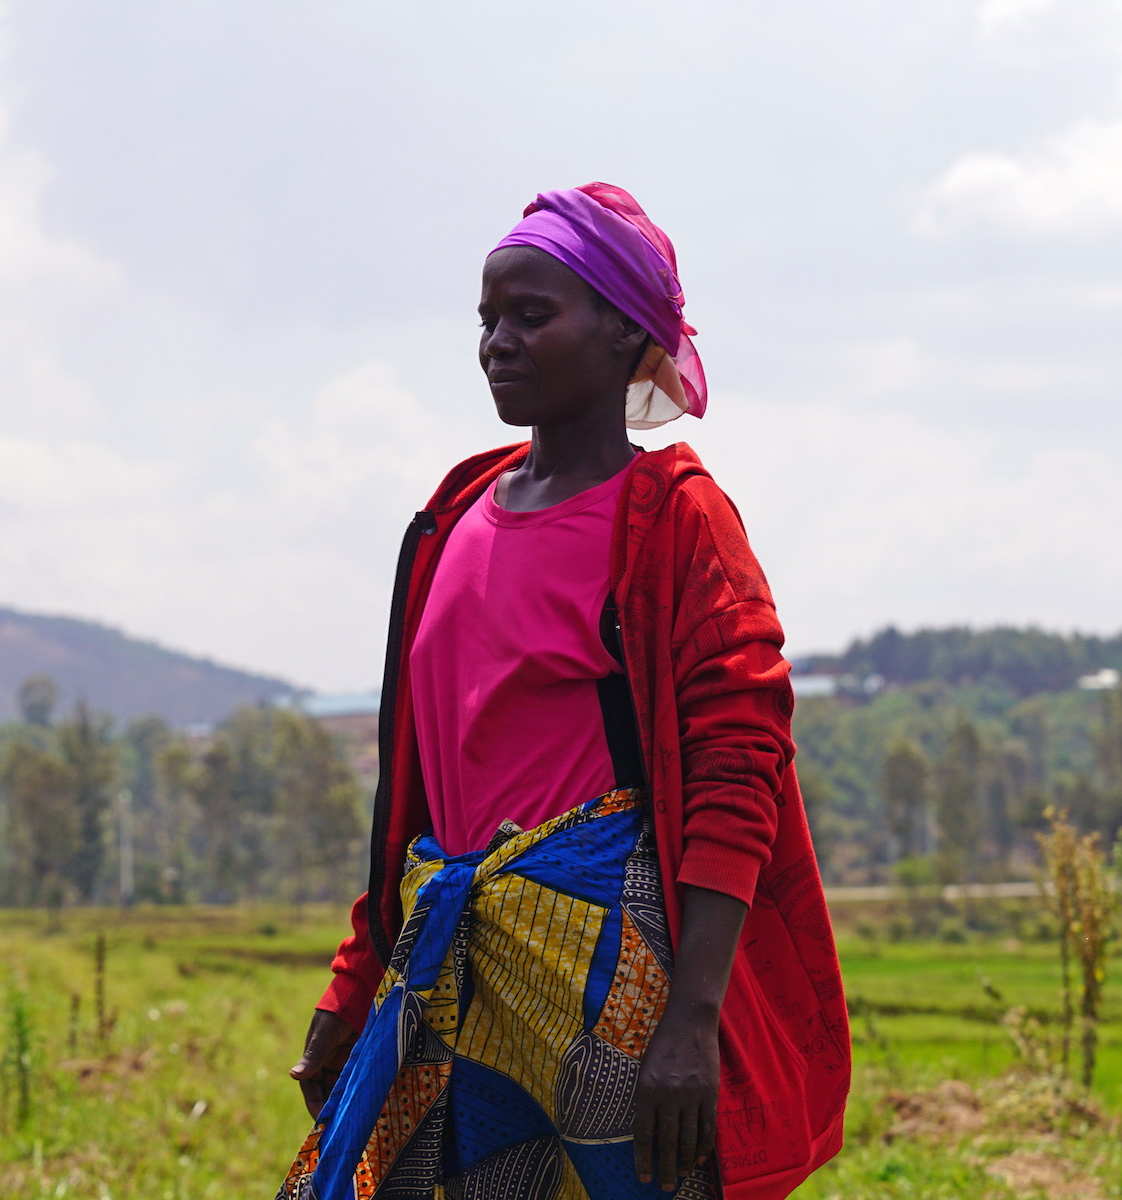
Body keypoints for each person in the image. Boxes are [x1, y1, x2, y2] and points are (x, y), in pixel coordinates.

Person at [276, 184, 849, 1200]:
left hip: (611, 993)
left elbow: (737, 766)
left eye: (532, 316)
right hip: (455, 964)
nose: (498, 340)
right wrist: (355, 978)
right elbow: (411, 794)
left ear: (628, 331)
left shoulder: (674, 523)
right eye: (488, 319)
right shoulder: (451, 516)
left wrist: (693, 1023)